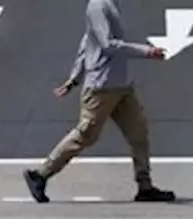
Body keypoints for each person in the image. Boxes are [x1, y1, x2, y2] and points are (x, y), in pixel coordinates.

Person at [22, 0, 176, 204]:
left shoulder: (112, 4)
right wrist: (146, 51)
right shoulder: (98, 6)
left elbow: (87, 42)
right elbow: (106, 44)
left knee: (139, 132)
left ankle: (145, 186)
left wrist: (74, 78)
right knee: (85, 135)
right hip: (101, 88)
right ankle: (40, 175)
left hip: (122, 87)